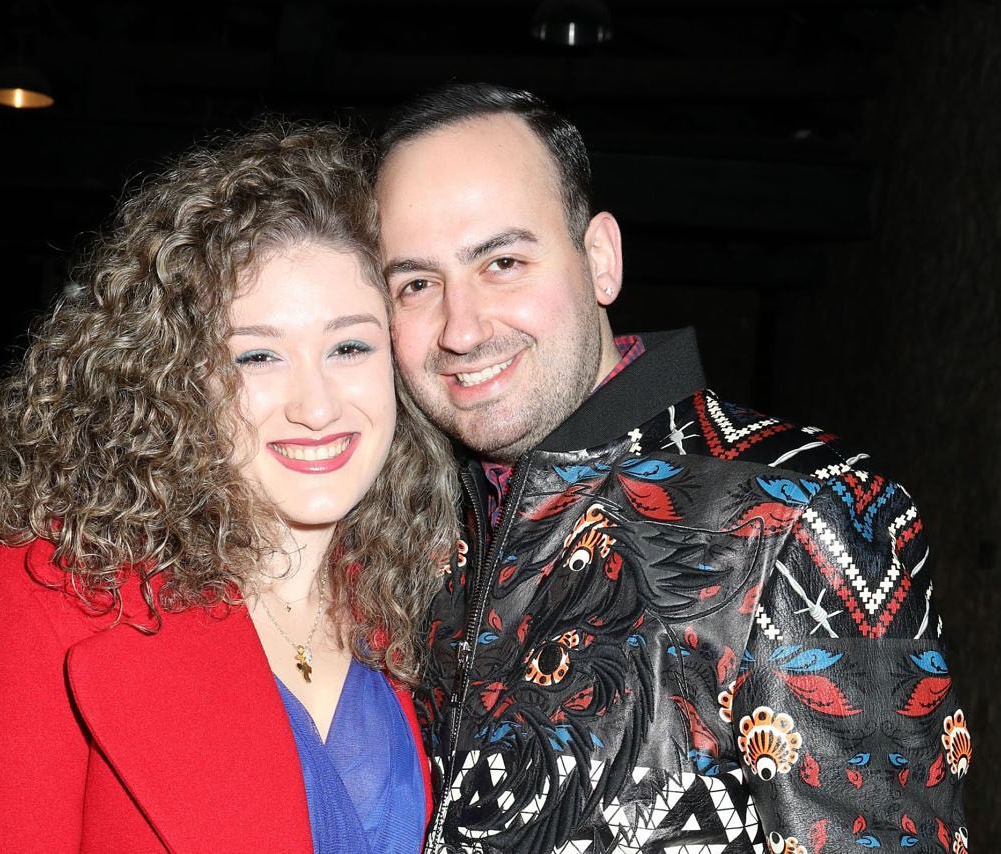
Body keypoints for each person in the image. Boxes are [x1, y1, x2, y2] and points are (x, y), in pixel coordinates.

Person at [375, 83, 970, 854]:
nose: (460, 329)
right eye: (417, 284)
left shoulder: (808, 512)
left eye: (504, 261)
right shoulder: (412, 531)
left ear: (600, 261)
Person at [0, 121, 458, 853]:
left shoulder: (418, 607)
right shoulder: (33, 605)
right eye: (257, 356)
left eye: (349, 346)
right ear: (175, 378)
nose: (316, 407)